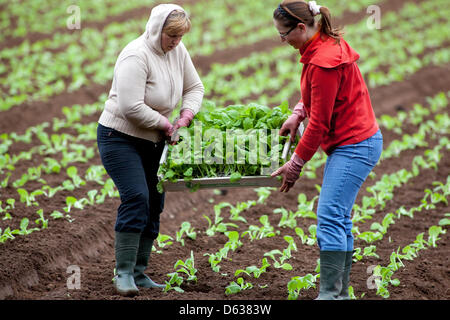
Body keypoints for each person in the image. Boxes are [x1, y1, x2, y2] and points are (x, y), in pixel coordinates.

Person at [271, 0, 383, 300]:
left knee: (330, 216)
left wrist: (295, 164)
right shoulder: (323, 44)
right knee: (339, 217)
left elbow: (319, 123)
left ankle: (330, 295)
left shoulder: (324, 61)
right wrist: (297, 113)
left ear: (301, 27)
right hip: (358, 141)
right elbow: (317, 95)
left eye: (284, 34)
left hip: (355, 145)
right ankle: (339, 294)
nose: (282, 40)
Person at [96, 4, 204, 296]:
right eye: (171, 36)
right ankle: (123, 274)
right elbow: (131, 107)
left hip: (156, 140)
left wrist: (186, 116)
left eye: (180, 37)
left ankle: (140, 272)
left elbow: (195, 87)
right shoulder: (136, 55)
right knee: (136, 197)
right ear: (157, 29)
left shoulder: (178, 52)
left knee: (154, 202)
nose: (175, 42)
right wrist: (165, 124)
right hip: (120, 137)